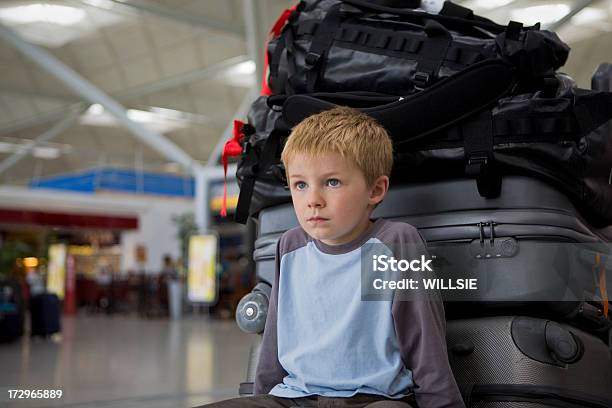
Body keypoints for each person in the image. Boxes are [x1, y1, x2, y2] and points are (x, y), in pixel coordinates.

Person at [197, 107, 464, 408]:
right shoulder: (290, 246)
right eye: (300, 184)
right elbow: (273, 341)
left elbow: (424, 345)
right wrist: (262, 399)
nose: (313, 200)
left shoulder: (394, 243)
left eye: (332, 182)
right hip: (295, 397)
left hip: (373, 400)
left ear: (375, 190)